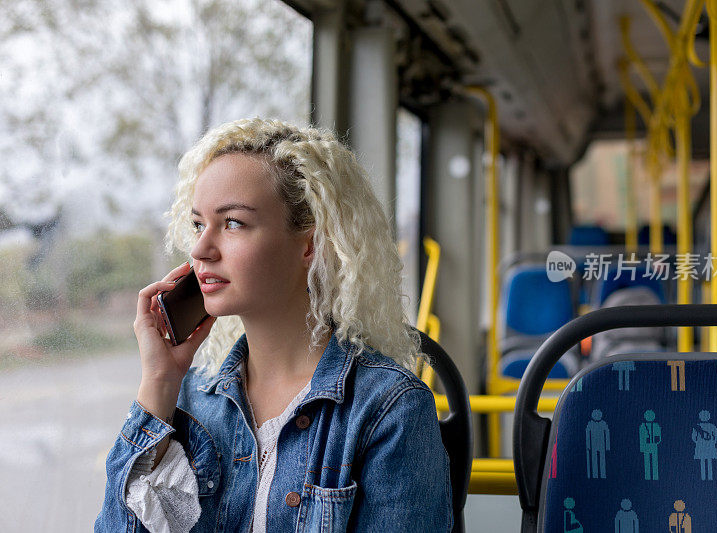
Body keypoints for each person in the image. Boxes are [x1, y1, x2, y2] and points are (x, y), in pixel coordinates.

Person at [94, 118, 452, 532]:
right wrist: (158, 382)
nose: (200, 249)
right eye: (198, 224)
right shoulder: (185, 398)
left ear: (310, 246)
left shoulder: (388, 409)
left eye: (232, 223)